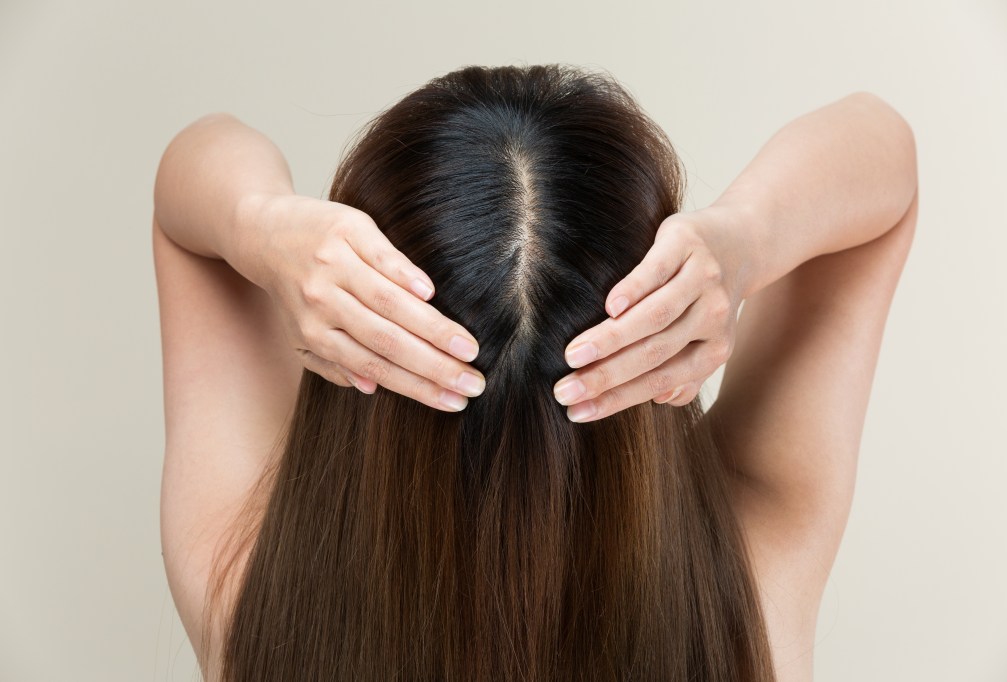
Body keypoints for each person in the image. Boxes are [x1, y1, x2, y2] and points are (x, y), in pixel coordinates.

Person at [153, 64, 917, 681]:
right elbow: (886, 157)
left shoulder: (251, 602)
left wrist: (259, 223)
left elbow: (186, 192)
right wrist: (746, 237)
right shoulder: (748, 600)